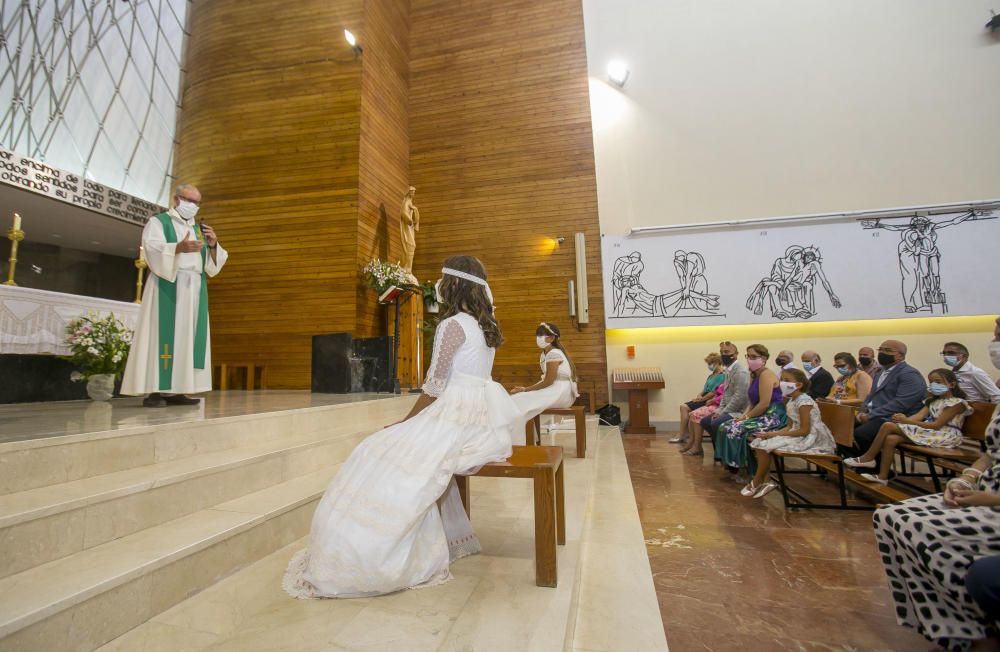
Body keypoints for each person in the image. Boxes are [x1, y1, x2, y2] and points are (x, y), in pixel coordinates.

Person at [283, 256, 519, 598]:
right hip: (480, 416)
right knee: (391, 450)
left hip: (454, 414)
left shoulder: (452, 325)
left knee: (375, 449)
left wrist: (403, 424)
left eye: (441, 279)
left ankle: (370, 553)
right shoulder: (486, 325)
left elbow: (435, 387)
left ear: (453, 284)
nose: (438, 286)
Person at [872, 332, 1000, 651]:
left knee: (920, 529)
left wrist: (991, 499)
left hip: (994, 502)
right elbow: (992, 451)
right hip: (982, 487)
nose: (994, 340)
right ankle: (954, 624)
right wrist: (969, 477)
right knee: (888, 517)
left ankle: (972, 630)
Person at [121, 184, 227, 407]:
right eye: (190, 200)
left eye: (197, 203)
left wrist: (214, 244)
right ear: (176, 199)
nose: (193, 206)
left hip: (194, 289)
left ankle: (179, 389)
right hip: (168, 284)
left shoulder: (200, 229)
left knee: (187, 337)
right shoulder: (159, 222)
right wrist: (178, 248)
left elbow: (212, 267)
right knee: (161, 335)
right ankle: (155, 390)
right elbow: (152, 249)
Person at [845, 368, 971, 485]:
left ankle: (868, 457)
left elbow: (937, 425)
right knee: (891, 439)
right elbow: (918, 416)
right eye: (931, 382)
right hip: (931, 431)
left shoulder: (957, 403)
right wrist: (902, 421)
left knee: (888, 425)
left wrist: (906, 422)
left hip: (945, 434)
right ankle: (883, 477)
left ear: (952, 384)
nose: (933, 385)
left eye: (938, 382)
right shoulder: (932, 401)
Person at [742, 368, 836, 499]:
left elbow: (804, 430)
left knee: (764, 446)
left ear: (798, 385)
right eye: (782, 380)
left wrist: (774, 436)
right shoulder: (791, 401)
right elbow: (789, 426)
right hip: (796, 433)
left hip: (810, 437)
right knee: (759, 442)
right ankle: (765, 481)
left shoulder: (804, 402)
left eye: (787, 380)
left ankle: (757, 481)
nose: (782, 383)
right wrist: (771, 434)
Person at [714, 344, 787, 479]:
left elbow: (764, 404)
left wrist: (746, 417)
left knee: (736, 429)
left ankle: (744, 468)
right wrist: (743, 416)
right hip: (759, 413)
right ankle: (733, 467)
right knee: (725, 426)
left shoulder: (766, 375)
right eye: (748, 356)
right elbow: (752, 402)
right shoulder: (753, 374)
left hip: (772, 415)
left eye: (754, 357)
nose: (750, 360)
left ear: (764, 358)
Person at [848, 339, 927, 456]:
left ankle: (874, 466)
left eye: (888, 350)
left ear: (900, 355)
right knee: (842, 429)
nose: (882, 353)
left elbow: (901, 403)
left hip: (893, 417)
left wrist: (871, 415)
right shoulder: (880, 372)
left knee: (862, 434)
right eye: (881, 349)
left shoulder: (909, 374)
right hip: (875, 414)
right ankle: (854, 462)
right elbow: (871, 396)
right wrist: (862, 411)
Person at [511, 322, 580, 443]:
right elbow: (547, 381)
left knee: (520, 401)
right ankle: (527, 441)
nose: (538, 338)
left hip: (561, 391)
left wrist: (525, 389)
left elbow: (549, 381)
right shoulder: (544, 354)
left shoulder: (554, 353)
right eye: (537, 335)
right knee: (518, 399)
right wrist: (525, 390)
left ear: (552, 338)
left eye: (542, 335)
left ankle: (522, 443)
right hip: (554, 388)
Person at [697, 341, 750, 457]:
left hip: (739, 411)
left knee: (716, 423)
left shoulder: (740, 371)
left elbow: (739, 397)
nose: (723, 354)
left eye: (727, 352)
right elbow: (725, 394)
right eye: (721, 352)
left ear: (736, 354)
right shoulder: (728, 370)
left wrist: (723, 412)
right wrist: (719, 410)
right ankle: (720, 452)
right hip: (727, 409)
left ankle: (727, 455)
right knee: (705, 421)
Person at [669, 353, 725, 445]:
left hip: (710, 399)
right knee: (683, 407)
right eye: (708, 363)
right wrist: (699, 395)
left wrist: (701, 399)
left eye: (711, 363)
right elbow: (704, 389)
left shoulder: (722, 375)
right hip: (704, 397)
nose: (709, 365)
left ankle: (682, 434)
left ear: (718, 362)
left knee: (684, 407)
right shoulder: (711, 375)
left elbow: (714, 392)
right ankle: (685, 433)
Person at [679, 382, 725, 456]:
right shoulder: (727, 378)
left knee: (696, 414)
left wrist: (713, 400)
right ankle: (692, 442)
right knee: (692, 414)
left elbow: (727, 396)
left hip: (720, 406)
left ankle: (697, 446)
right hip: (715, 402)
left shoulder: (734, 376)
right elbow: (716, 391)